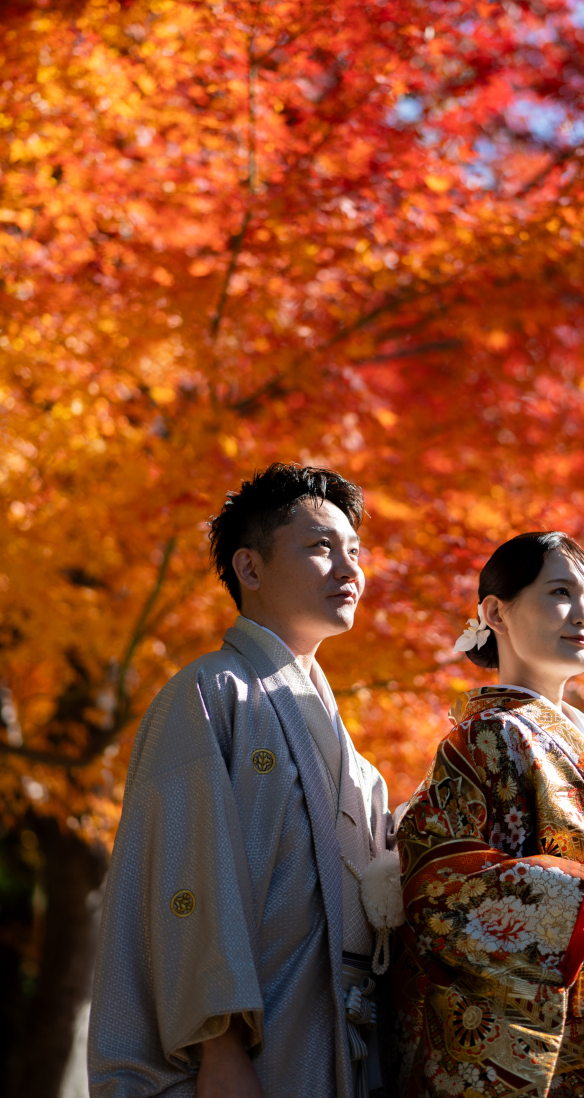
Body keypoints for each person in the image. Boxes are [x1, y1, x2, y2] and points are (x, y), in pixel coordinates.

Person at [89, 464, 396, 1098]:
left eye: (354, 552)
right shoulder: (209, 693)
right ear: (250, 569)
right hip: (256, 1047)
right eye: (320, 548)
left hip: (347, 1035)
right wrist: (220, 1049)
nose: (349, 570)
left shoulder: (354, 757)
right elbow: (188, 878)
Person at [394, 531, 584, 1098]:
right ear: (495, 612)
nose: (583, 614)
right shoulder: (488, 735)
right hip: (550, 1035)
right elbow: (436, 888)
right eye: (560, 592)